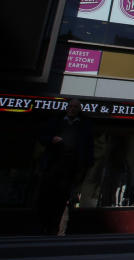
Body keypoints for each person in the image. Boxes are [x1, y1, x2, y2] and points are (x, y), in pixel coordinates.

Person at [36, 98, 94, 235]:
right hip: (52, 165)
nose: (72, 109)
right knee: (45, 196)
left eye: (75, 107)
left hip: (70, 168)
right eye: (71, 106)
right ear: (67, 108)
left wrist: (85, 165)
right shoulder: (56, 121)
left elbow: (88, 147)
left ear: (79, 110)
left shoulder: (85, 125)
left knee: (61, 199)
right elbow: (42, 137)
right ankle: (42, 225)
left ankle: (54, 226)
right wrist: (52, 140)